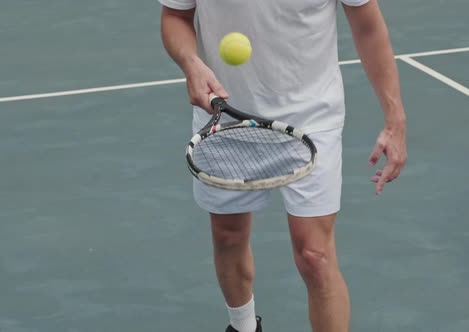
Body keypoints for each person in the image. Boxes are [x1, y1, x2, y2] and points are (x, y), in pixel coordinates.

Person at [159, 0, 407, 331]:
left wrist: (395, 119)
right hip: (225, 115)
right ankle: (244, 326)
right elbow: (175, 16)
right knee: (228, 236)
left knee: (314, 256)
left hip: (312, 117)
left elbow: (368, 26)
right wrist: (191, 63)